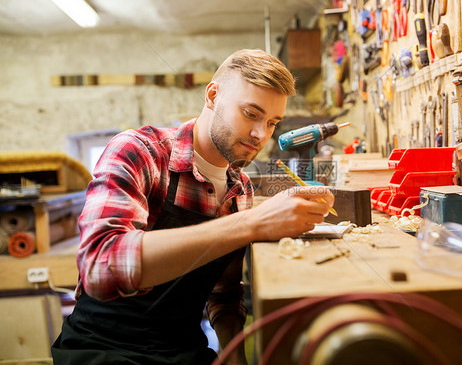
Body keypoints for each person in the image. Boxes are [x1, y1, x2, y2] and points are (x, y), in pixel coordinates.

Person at [51, 49, 334, 365]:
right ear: (213, 95)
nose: (261, 134)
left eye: (272, 122)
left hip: (183, 351)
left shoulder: (240, 190)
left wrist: (234, 353)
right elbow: (101, 267)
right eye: (251, 114)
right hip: (103, 349)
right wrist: (253, 224)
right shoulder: (140, 152)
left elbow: (224, 295)